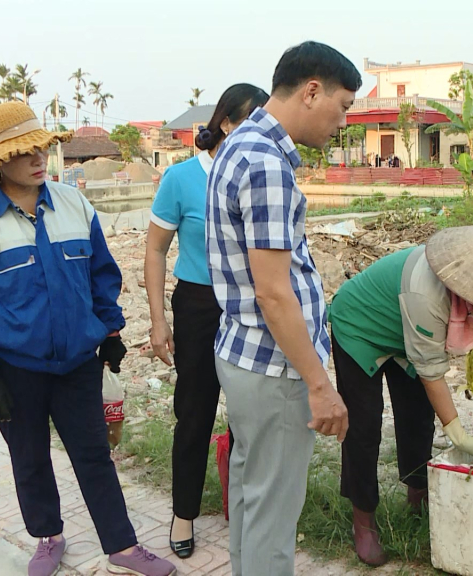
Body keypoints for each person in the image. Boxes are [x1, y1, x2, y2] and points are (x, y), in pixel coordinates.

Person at [0, 102, 175, 576]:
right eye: (25, 152)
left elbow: (101, 276)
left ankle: (122, 546)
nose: (39, 159)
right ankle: (48, 536)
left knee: (94, 455)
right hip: (14, 371)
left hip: (78, 364)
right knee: (29, 457)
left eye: (42, 147)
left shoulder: (74, 204)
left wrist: (110, 332)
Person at [206, 41, 362, 576]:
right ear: (312, 91)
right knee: (275, 516)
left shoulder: (238, 143)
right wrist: (319, 384)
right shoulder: (267, 163)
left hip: (243, 355)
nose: (343, 121)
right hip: (275, 367)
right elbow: (274, 291)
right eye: (343, 107)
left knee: (253, 496)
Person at [328, 225, 473, 566]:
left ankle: (419, 496)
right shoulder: (427, 293)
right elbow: (432, 372)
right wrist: (458, 433)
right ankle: (364, 520)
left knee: (417, 417)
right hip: (360, 326)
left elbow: (454, 348)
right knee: (363, 428)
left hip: (405, 334)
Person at [144, 83, 269, 559]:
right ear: (226, 123)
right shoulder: (181, 179)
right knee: (194, 411)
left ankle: (243, 506)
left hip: (250, 304)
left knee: (247, 411)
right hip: (198, 304)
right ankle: (184, 512)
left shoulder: (259, 174)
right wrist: (158, 322)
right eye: (252, 122)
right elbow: (156, 250)